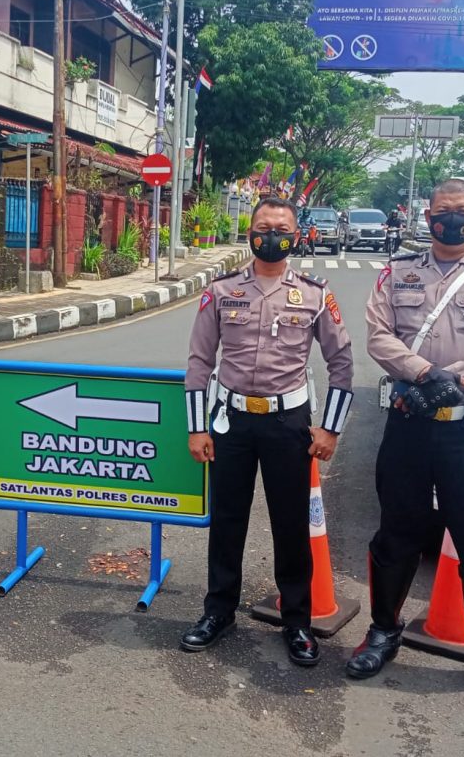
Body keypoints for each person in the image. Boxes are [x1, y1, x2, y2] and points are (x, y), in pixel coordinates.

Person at [347, 179, 464, 717]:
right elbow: (379, 335)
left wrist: (455, 378)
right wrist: (425, 372)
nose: (452, 220)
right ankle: (383, 631)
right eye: (443, 212)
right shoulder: (397, 271)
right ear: (427, 216)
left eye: (462, 212)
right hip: (409, 427)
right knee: (396, 534)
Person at [182, 197, 354, 666]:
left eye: (281, 227)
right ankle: (218, 611)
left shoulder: (316, 293)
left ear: (296, 235)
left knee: (291, 525)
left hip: (288, 423)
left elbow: (341, 364)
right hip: (232, 421)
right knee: (228, 519)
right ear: (250, 232)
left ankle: (297, 622)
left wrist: (330, 429)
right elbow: (200, 361)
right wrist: (197, 427)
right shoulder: (221, 291)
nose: (271, 234)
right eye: (263, 226)